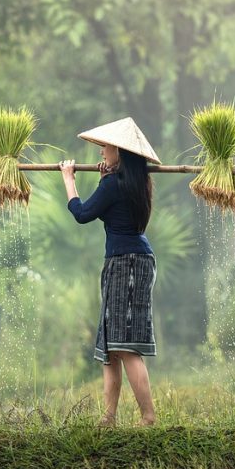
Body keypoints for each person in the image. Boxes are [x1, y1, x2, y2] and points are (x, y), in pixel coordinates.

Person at [58, 117, 161, 427]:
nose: (101, 152)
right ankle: (109, 417)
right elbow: (109, 203)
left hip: (126, 263)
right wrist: (105, 179)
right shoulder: (132, 183)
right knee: (111, 346)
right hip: (129, 260)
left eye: (105, 146)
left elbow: (82, 213)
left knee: (125, 346)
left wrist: (68, 178)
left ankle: (148, 417)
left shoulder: (115, 185)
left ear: (119, 150)